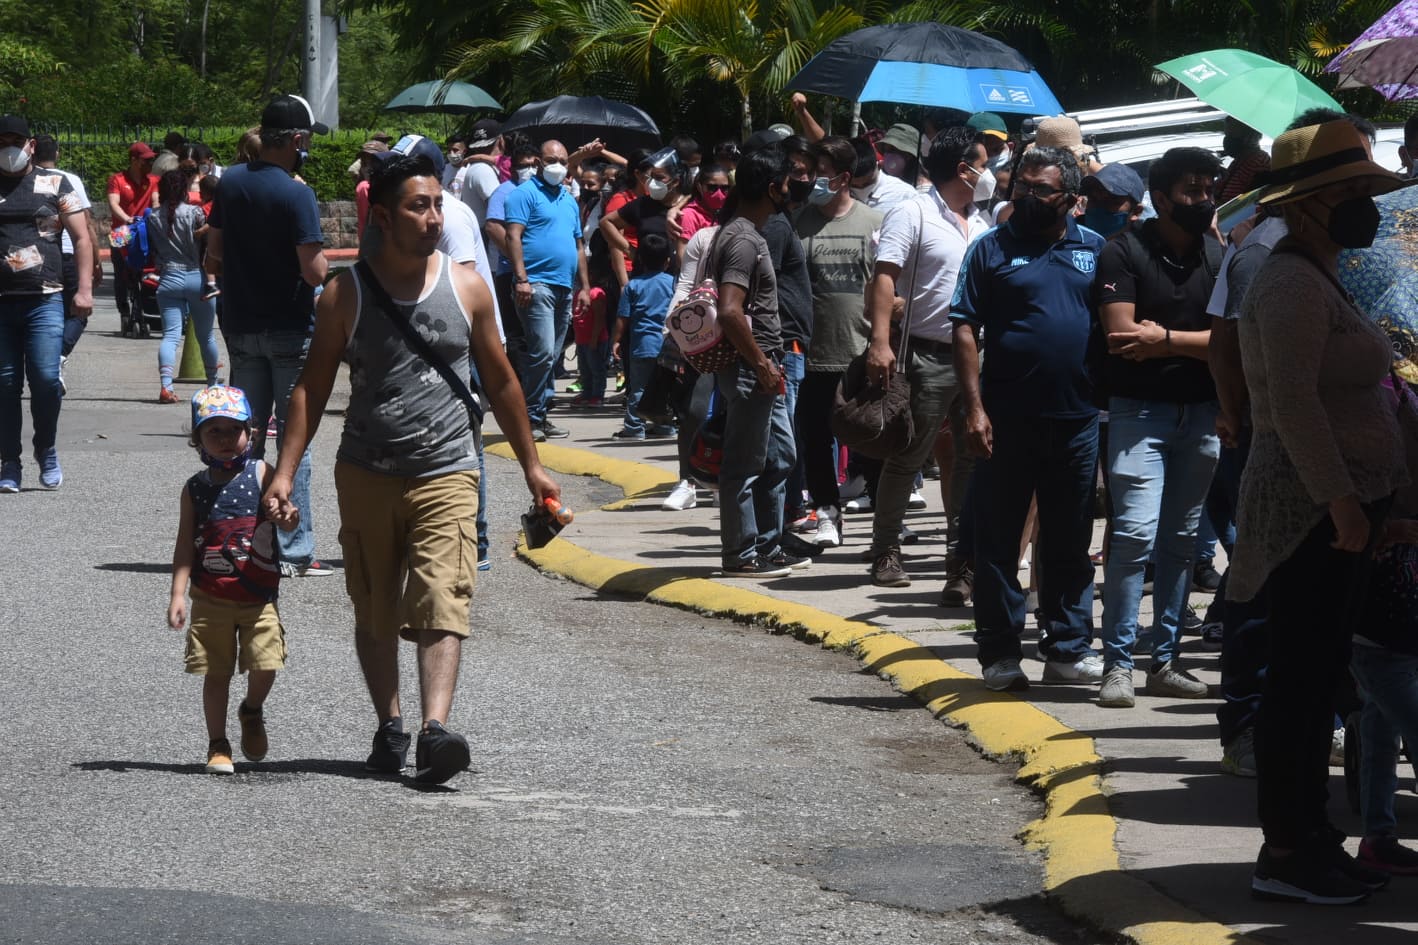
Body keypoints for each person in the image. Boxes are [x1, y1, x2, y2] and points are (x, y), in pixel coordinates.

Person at [263, 153, 560, 785]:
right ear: (384, 216)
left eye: (436, 205)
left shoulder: (468, 285)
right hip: (367, 469)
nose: (433, 217)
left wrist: (533, 466)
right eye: (417, 206)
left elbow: (502, 382)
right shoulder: (345, 293)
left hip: (448, 466)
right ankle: (390, 724)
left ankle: (434, 731)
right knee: (373, 607)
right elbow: (311, 389)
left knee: (441, 598)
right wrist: (285, 471)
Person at [1230, 119, 1411, 905]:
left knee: (1319, 674)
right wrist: (1341, 500)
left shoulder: (1321, 272)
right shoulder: (1291, 281)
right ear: (1307, 205)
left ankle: (1315, 836)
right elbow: (1295, 406)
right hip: (1309, 507)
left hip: (1343, 505)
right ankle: (1288, 848)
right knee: (1300, 683)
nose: (1364, 206)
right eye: (1350, 194)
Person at [951, 146, 1106, 692]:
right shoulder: (989, 249)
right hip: (1005, 419)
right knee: (997, 539)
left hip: (1078, 419)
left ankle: (1066, 648)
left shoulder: (1095, 250)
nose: (1028, 197)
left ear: (1070, 196)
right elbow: (965, 327)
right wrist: (973, 409)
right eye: (1022, 187)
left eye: (1041, 189)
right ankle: (999, 653)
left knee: (1069, 538)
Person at [1094, 147, 1224, 708]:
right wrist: (1196, 346)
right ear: (1162, 197)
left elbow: (1234, 343)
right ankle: (1118, 663)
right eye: (1192, 190)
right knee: (1133, 535)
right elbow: (1121, 335)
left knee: (1182, 540)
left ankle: (1165, 660)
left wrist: (1165, 341)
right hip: (1138, 414)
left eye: (1208, 189)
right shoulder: (1123, 250)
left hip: (1202, 416)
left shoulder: (1218, 256)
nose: (1204, 199)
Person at [205, 94, 333, 577]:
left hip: (239, 323)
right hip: (289, 327)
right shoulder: (297, 192)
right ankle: (294, 548)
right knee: (294, 440)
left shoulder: (230, 183)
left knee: (246, 436)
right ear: (297, 140)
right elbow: (313, 270)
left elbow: (213, 250)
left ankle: (242, 536)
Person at [864, 125, 992, 589]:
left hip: (976, 356)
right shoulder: (911, 212)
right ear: (964, 168)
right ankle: (885, 551)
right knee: (909, 456)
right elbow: (884, 277)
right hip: (925, 355)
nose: (990, 170)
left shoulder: (983, 222)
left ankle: (960, 562)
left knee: (972, 457)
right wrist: (881, 343)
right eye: (985, 160)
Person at [168, 385, 295, 774]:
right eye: (213, 432)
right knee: (216, 671)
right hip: (211, 597)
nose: (224, 440)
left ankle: (252, 709)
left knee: (266, 664)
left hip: (258, 596)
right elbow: (184, 543)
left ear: (251, 432)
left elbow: (289, 514)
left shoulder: (262, 473)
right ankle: (217, 744)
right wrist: (178, 594)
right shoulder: (195, 489)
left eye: (232, 430)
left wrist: (287, 516)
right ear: (197, 439)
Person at [794, 135, 882, 548]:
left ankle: (887, 518)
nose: (812, 180)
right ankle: (828, 511)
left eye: (821, 173)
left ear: (844, 177)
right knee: (815, 437)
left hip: (863, 351)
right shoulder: (799, 222)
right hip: (814, 353)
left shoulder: (873, 222)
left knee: (875, 437)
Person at [711, 146, 795, 577]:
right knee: (743, 465)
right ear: (771, 188)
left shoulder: (747, 232)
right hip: (752, 368)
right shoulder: (743, 239)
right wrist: (761, 363)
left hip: (766, 365)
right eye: (787, 181)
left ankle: (767, 544)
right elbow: (729, 310)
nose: (792, 188)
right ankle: (740, 555)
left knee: (780, 456)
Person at [0, 115, 94, 493]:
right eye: (2, 140)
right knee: (5, 383)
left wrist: (84, 289)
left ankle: (47, 448)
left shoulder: (57, 182)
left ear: (31, 145)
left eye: (16, 141)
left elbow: (82, 237)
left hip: (45, 298)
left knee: (45, 379)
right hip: (2, 303)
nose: (9, 148)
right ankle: (9, 461)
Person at [504, 139, 592, 442]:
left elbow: (578, 244)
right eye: (550, 159)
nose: (556, 165)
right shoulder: (523, 195)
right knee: (541, 353)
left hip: (564, 286)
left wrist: (584, 285)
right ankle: (528, 416)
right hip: (535, 285)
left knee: (551, 356)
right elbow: (513, 237)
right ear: (538, 162)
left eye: (562, 160)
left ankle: (539, 413)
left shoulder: (568, 199)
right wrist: (521, 279)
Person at [32, 135, 101, 389]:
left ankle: (49, 360)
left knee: (49, 314)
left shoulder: (23, 180)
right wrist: (95, 261)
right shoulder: (70, 180)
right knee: (78, 313)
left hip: (44, 257)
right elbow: (86, 223)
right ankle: (57, 356)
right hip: (71, 255)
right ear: (57, 154)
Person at [149, 170, 219, 402]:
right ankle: (212, 385)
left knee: (170, 336)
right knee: (206, 336)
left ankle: (166, 387)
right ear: (183, 191)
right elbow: (210, 244)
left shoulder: (152, 217)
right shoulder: (195, 213)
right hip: (196, 278)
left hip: (168, 278)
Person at [613, 233, 675, 440]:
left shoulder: (633, 286)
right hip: (667, 345)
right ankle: (665, 427)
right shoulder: (672, 283)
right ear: (667, 261)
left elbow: (623, 317)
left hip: (642, 345)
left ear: (640, 260)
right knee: (664, 388)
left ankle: (634, 428)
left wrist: (616, 340)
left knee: (638, 388)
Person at [106, 141, 158, 324]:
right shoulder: (117, 180)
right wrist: (127, 218)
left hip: (142, 230)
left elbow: (156, 202)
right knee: (121, 272)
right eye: (146, 161)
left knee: (143, 271)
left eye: (151, 160)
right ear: (134, 160)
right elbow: (113, 203)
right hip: (121, 231)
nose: (150, 164)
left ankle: (141, 308)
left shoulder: (153, 181)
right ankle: (124, 311)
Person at [847, 137, 917, 211]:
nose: (861, 189)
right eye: (853, 186)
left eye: (867, 184)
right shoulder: (835, 194)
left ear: (879, 165)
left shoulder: (904, 195)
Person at [1079, 164, 1146, 239]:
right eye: (1093, 198)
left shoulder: (1146, 247)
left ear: (1136, 212)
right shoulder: (1069, 237)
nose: (1099, 208)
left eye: (1111, 201)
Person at [459, 119, 502, 230]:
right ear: (500, 140)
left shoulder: (477, 166)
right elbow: (498, 212)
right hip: (488, 237)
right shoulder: (483, 170)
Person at [1217, 117, 1271, 204]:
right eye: (1226, 135)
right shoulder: (1240, 160)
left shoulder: (1257, 163)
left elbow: (1235, 203)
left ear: (1250, 137)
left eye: (1231, 135)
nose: (1227, 140)